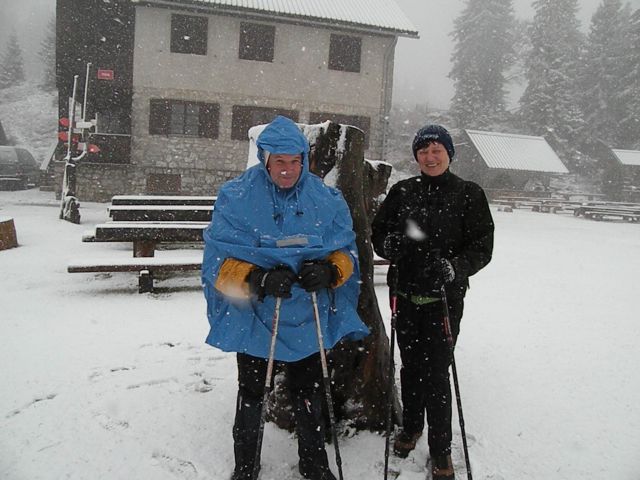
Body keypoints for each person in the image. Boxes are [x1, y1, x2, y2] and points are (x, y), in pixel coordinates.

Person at [202, 115, 369, 480]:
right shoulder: (236, 197)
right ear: (265, 159)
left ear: (304, 159)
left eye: (295, 161)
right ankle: (245, 465)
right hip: (255, 312)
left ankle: (313, 462)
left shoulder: (326, 198)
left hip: (306, 313)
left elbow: (346, 252)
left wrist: (329, 271)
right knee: (251, 392)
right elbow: (216, 262)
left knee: (307, 391)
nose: (287, 170)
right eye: (280, 162)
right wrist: (257, 276)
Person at [371, 124, 494, 479]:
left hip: (444, 298)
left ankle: (441, 449)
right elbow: (381, 231)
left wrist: (454, 267)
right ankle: (411, 427)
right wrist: (388, 245)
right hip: (406, 294)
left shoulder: (469, 194)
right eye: (423, 151)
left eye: (437, 149)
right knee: (410, 366)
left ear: (449, 154)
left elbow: (482, 245)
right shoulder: (403, 191)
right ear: (416, 156)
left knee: (438, 372)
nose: (430, 156)